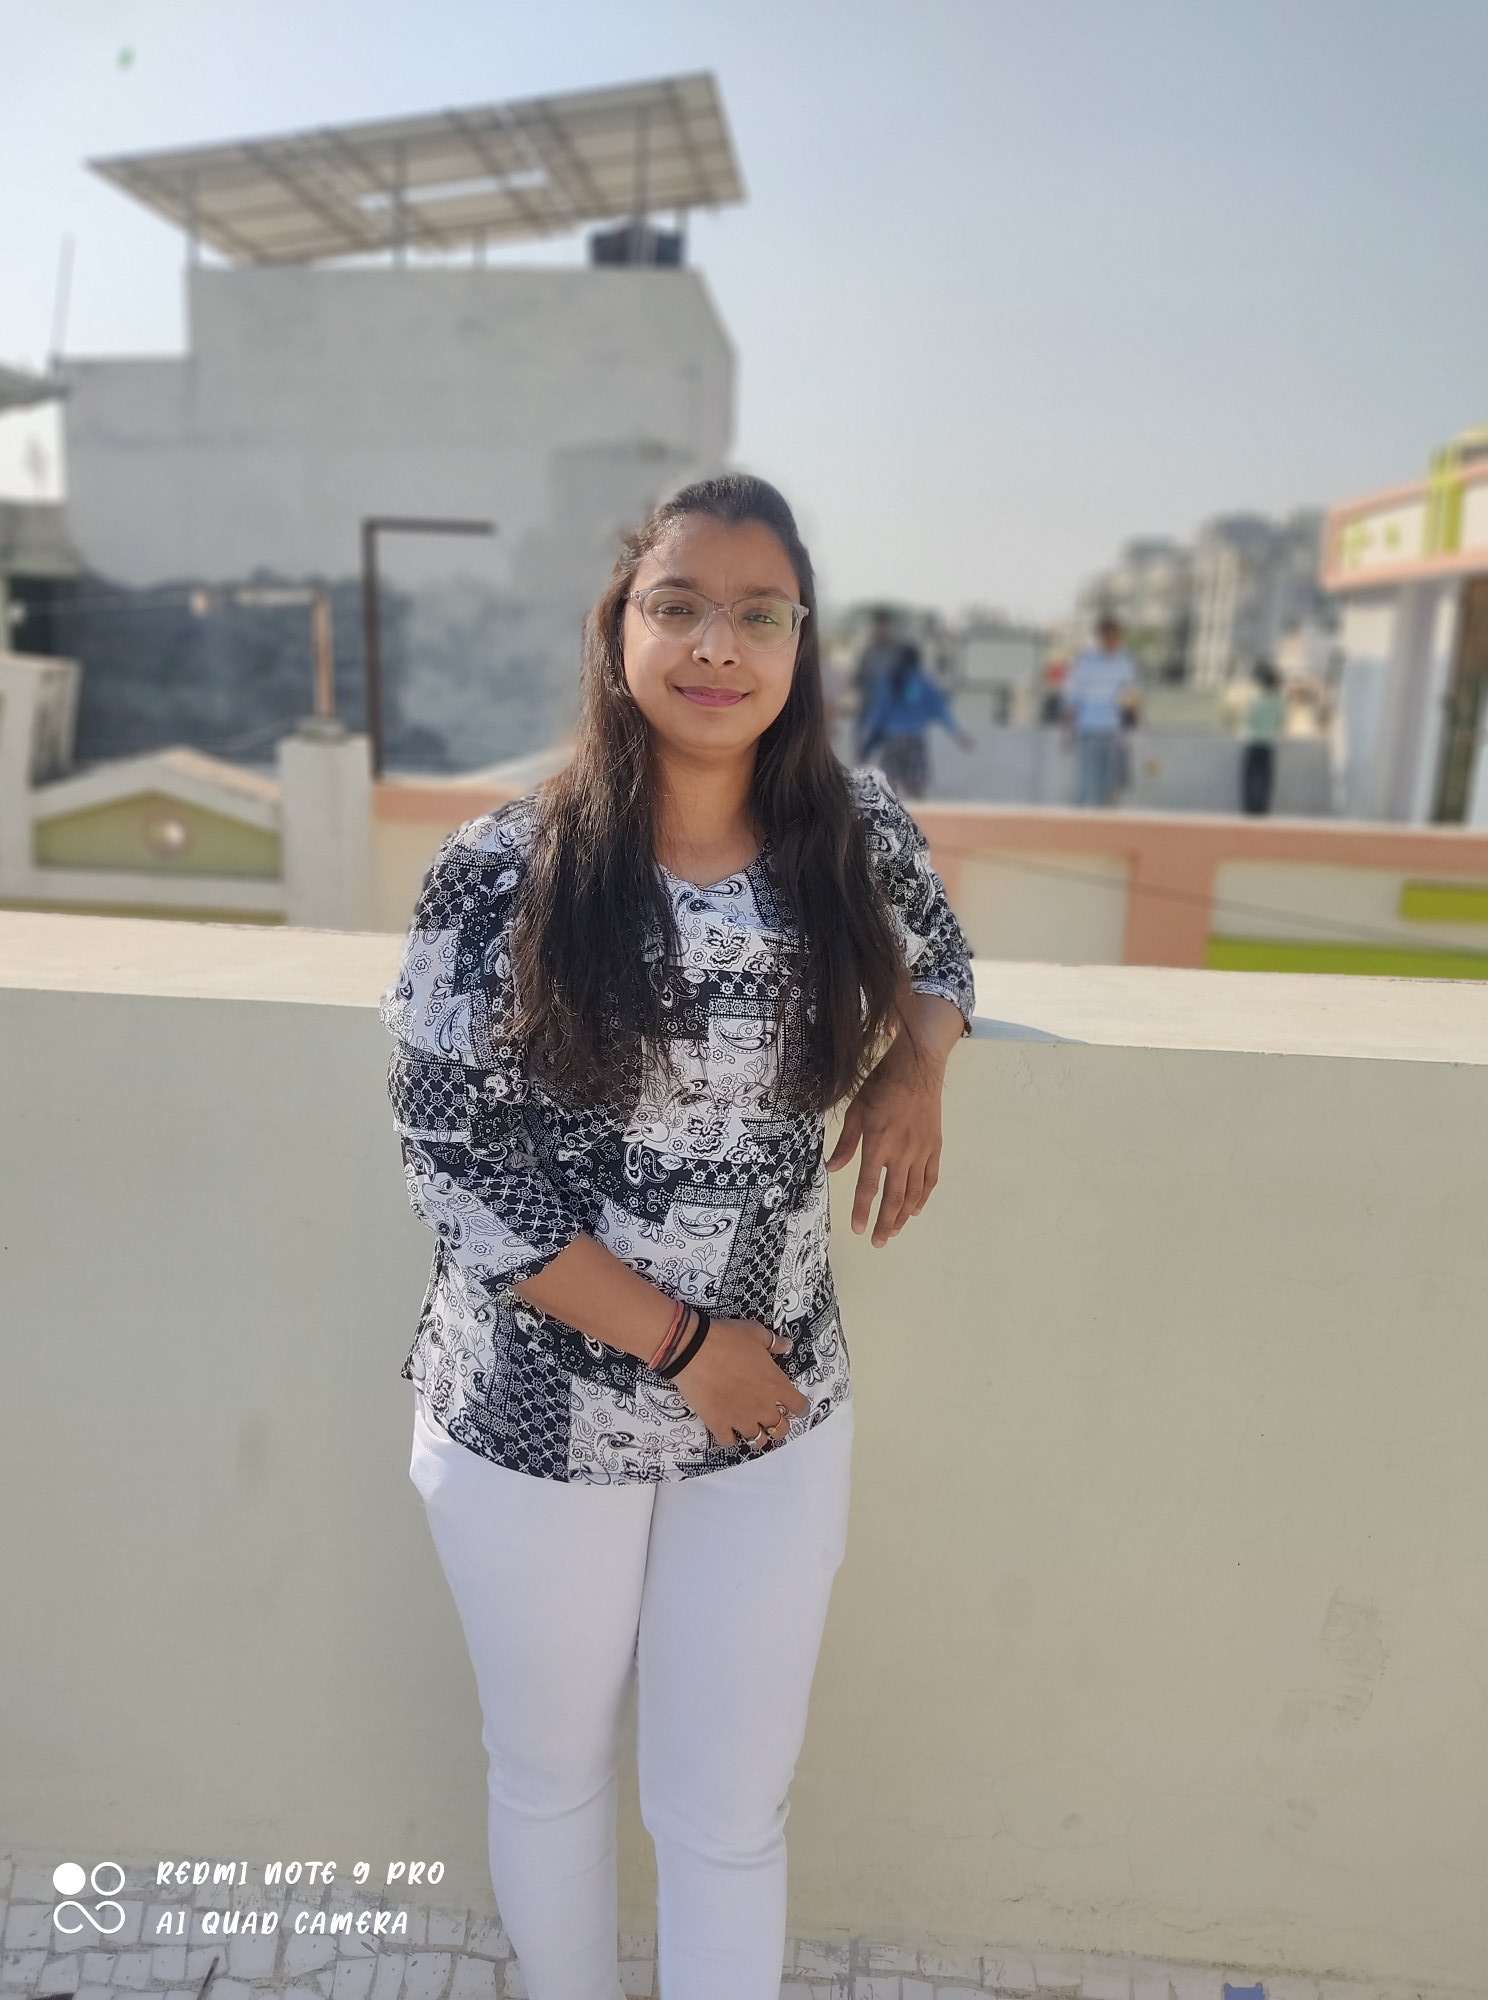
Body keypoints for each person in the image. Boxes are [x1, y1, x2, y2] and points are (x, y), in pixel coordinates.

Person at [379, 472, 976, 2000]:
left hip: (773, 1417)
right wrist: (685, 1344)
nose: (719, 645)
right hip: (534, 1413)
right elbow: (453, 1159)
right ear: (621, 630)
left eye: (759, 615)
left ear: (801, 645)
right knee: (550, 1774)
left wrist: (914, 1069)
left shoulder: (852, 832)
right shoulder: (502, 867)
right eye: (680, 606)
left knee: (726, 1813)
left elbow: (944, 960)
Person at [858, 639, 976, 799]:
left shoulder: (889, 680)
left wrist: (866, 744)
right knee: (917, 790)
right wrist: (959, 735)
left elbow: (879, 714)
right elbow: (941, 711)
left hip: (892, 740)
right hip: (915, 741)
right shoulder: (924, 682)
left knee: (888, 790)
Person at [1062, 612, 1141, 807]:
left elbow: (1130, 697)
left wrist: (1133, 725)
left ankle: (1107, 819)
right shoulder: (1085, 662)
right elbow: (1073, 697)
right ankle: (1080, 819)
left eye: (1115, 637)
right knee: (1086, 783)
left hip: (1114, 731)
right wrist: (1068, 729)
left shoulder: (1125, 662)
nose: (1111, 641)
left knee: (1111, 786)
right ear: (1100, 637)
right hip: (1088, 729)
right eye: (1107, 637)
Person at [850, 606, 909, 758]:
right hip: (869, 706)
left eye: (884, 626)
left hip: (891, 709)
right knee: (863, 748)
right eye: (878, 626)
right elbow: (858, 677)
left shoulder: (898, 653)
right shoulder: (868, 652)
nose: (881, 630)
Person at [1239, 659, 1286, 815]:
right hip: (1268, 743)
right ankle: (1263, 807)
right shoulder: (1279, 701)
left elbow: (1249, 719)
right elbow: (1281, 721)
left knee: (1250, 776)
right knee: (1265, 777)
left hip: (1253, 742)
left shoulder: (1256, 699)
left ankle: (1249, 807)